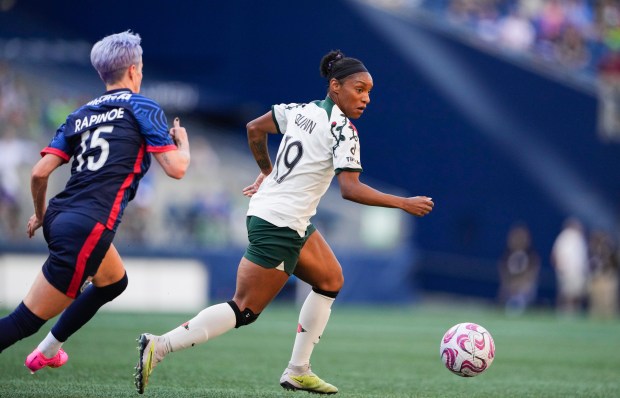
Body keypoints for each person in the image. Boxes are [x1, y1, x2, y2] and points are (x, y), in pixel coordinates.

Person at [134, 50, 434, 395]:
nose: (366, 98)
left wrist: (267, 171)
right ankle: (160, 345)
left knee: (330, 279)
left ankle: (297, 369)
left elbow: (254, 128)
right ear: (335, 86)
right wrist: (402, 203)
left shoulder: (300, 110)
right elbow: (350, 190)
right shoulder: (343, 129)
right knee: (244, 309)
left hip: (281, 216)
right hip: (280, 223)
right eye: (359, 89)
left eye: (369, 92)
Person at [0, 31, 191, 373]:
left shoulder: (79, 113)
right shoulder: (143, 106)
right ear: (134, 70)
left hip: (62, 215)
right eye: (142, 67)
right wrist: (184, 143)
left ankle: (48, 350)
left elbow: (40, 172)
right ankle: (42, 349)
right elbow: (177, 169)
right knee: (22, 321)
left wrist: (41, 214)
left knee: (114, 281)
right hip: (88, 225)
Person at [497, 223, 540, 316]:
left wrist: (521, 284)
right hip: (510, 285)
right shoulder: (507, 254)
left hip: (524, 286)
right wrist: (510, 284)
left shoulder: (530, 254)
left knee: (526, 292)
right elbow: (504, 272)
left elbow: (532, 273)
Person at [550, 217, 589, 316]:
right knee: (566, 293)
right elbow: (555, 254)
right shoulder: (565, 237)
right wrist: (560, 267)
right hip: (567, 271)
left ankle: (573, 312)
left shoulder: (579, 238)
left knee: (575, 294)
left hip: (578, 271)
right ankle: (563, 312)